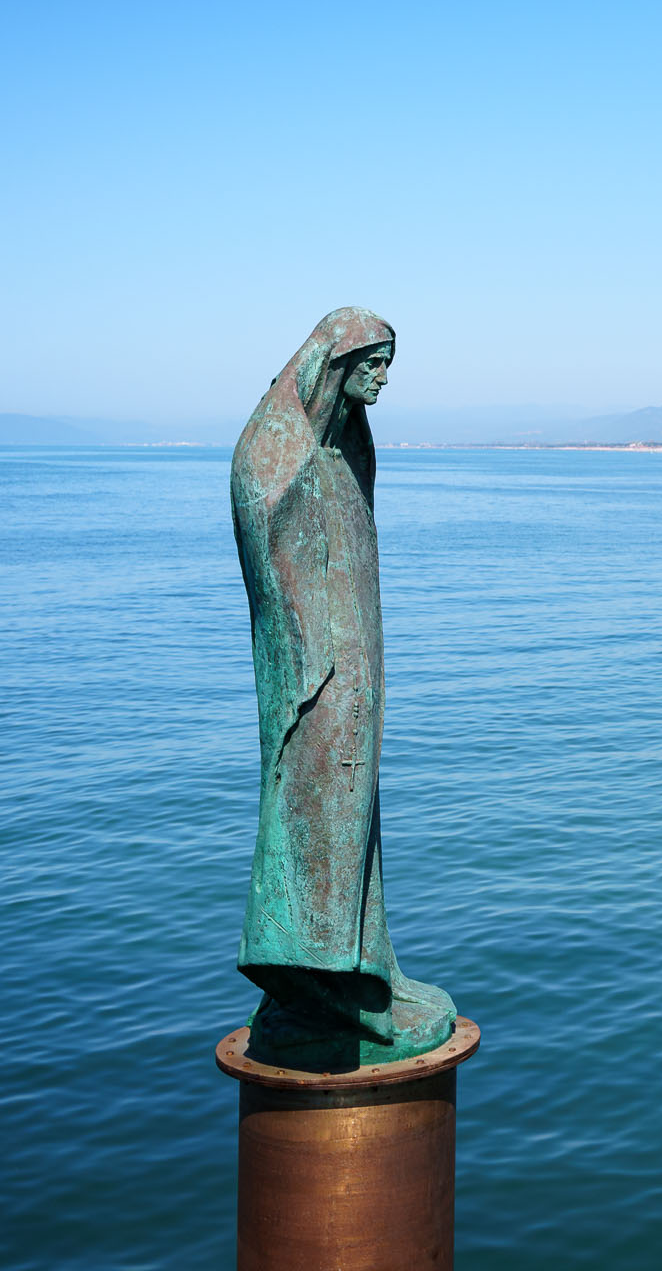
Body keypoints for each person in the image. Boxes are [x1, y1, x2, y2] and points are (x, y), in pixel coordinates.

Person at [228, 308, 455, 1071]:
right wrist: (311, 662)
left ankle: (363, 971)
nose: (383, 377)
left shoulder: (348, 445)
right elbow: (267, 552)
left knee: (353, 821)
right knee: (314, 816)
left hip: (356, 672)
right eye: (374, 362)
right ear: (335, 362)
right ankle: (310, 987)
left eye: (391, 362)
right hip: (311, 677)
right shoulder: (273, 449)